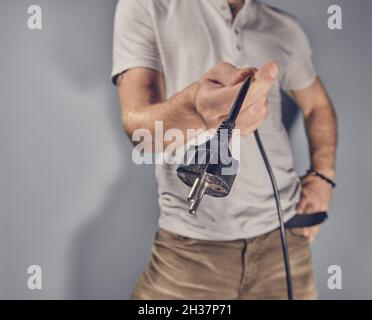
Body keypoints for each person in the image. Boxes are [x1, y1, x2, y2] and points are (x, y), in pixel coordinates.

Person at [111, 0, 337, 299]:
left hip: (283, 242)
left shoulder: (283, 27)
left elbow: (318, 106)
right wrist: (196, 111)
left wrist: (324, 176)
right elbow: (140, 132)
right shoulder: (146, 6)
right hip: (189, 249)